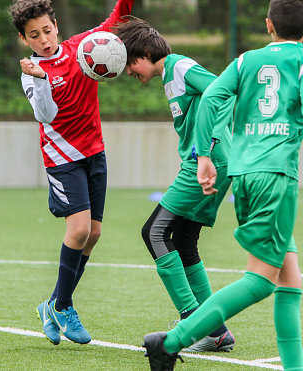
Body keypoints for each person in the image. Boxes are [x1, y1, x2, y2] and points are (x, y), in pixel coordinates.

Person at [143, 0, 303, 369]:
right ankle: (172, 342)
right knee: (262, 281)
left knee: (290, 280)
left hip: (246, 176)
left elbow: (214, 96)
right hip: (276, 178)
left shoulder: (247, 61)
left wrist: (201, 156)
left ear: (268, 25)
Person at [8, 0, 134, 345]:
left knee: (93, 234)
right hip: (62, 157)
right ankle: (63, 306)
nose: (43, 40)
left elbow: (116, 18)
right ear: (24, 39)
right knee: (78, 229)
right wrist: (42, 78)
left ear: (56, 26)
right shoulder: (29, 70)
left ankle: (51, 304)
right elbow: (46, 115)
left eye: (47, 30)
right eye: (34, 35)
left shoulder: (83, 47)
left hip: (95, 152)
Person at [113, 16, 235, 352]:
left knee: (153, 232)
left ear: (148, 52)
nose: (128, 71)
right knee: (182, 238)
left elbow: (221, 91)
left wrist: (206, 150)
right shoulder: (170, 77)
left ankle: (193, 322)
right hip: (210, 162)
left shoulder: (179, 66)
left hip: (206, 162)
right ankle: (216, 331)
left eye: (131, 63)